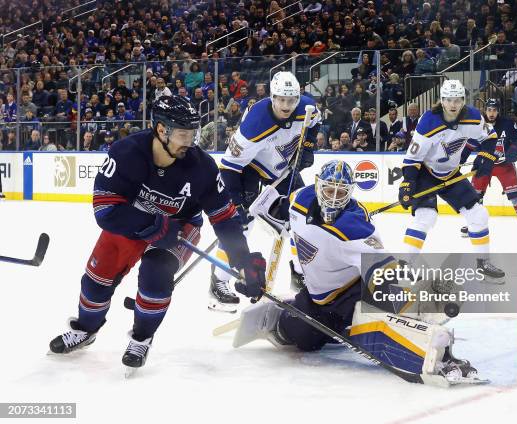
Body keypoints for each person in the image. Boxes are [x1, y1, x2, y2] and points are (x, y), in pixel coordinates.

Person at [49, 96, 267, 372]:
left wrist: (244, 261)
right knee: (96, 280)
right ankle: (86, 329)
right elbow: (104, 210)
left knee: (155, 276)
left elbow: (224, 219)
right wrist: (151, 224)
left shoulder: (203, 168)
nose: (190, 141)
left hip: (181, 226)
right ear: (161, 130)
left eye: (193, 134)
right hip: (130, 221)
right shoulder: (125, 152)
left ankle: (142, 337)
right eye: (183, 134)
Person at [233, 160, 483, 384]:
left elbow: (381, 269)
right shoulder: (300, 199)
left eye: (341, 193)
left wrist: (407, 300)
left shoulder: (355, 227)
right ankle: (295, 317)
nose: (333, 198)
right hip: (317, 297)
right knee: (303, 339)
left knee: (374, 324)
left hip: (353, 291)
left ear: (350, 192)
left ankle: (429, 332)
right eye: (329, 190)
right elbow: (277, 213)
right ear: (318, 186)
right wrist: (250, 257)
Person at [212, 72, 321, 312]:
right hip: (247, 168)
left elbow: (314, 125)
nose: (286, 106)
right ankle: (218, 280)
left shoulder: (308, 107)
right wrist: (236, 203)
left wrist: (309, 147)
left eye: (291, 100)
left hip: (281, 168)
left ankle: (299, 273)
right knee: (241, 226)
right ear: (272, 97)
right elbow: (229, 166)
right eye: (281, 99)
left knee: (300, 215)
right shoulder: (255, 125)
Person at [397, 80, 504, 282]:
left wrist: (487, 159)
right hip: (425, 173)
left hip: (451, 173)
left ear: (463, 100)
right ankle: (404, 265)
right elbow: (413, 158)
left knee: (479, 214)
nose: (453, 104)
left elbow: (490, 137)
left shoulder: (473, 117)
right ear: (442, 100)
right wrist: (407, 183)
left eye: (457, 100)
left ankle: (483, 263)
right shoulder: (428, 122)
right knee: (426, 216)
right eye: (448, 100)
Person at [460, 99, 517, 237]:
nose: (491, 113)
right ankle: (474, 224)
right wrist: (460, 161)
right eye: (489, 110)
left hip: (504, 166)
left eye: (494, 110)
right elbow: (469, 146)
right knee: (475, 196)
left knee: (514, 195)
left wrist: (513, 150)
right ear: (485, 110)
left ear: (498, 111)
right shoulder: (479, 125)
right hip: (485, 164)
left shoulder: (508, 124)